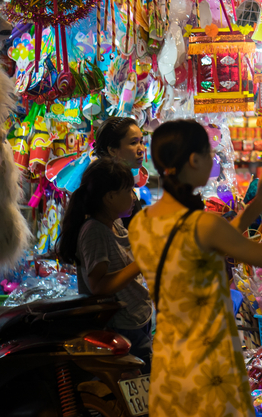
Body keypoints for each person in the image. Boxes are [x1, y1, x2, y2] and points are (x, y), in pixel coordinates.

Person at [127, 119, 262, 417]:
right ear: (193, 160)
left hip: (169, 361)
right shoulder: (205, 225)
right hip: (210, 366)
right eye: (210, 154)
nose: (213, 161)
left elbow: (216, 240)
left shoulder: (142, 222)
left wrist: (258, 205)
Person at [56, 158, 153, 369]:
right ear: (109, 197)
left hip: (136, 321)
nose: (133, 196)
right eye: (128, 191)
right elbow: (99, 286)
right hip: (122, 327)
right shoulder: (95, 230)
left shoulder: (113, 224)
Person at [93, 117, 147, 226]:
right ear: (112, 150)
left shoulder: (121, 183)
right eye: (133, 143)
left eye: (141, 141)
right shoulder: (110, 188)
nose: (141, 149)